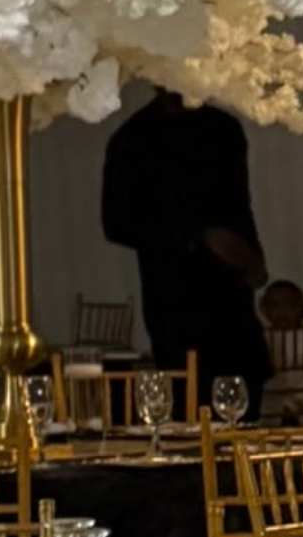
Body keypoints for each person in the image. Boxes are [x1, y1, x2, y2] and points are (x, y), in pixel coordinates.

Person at [97, 87, 269, 398]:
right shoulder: (134, 138)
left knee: (241, 390)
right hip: (174, 297)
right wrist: (196, 237)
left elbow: (238, 204)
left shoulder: (222, 129)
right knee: (190, 393)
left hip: (229, 291)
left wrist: (252, 256)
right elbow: (116, 223)